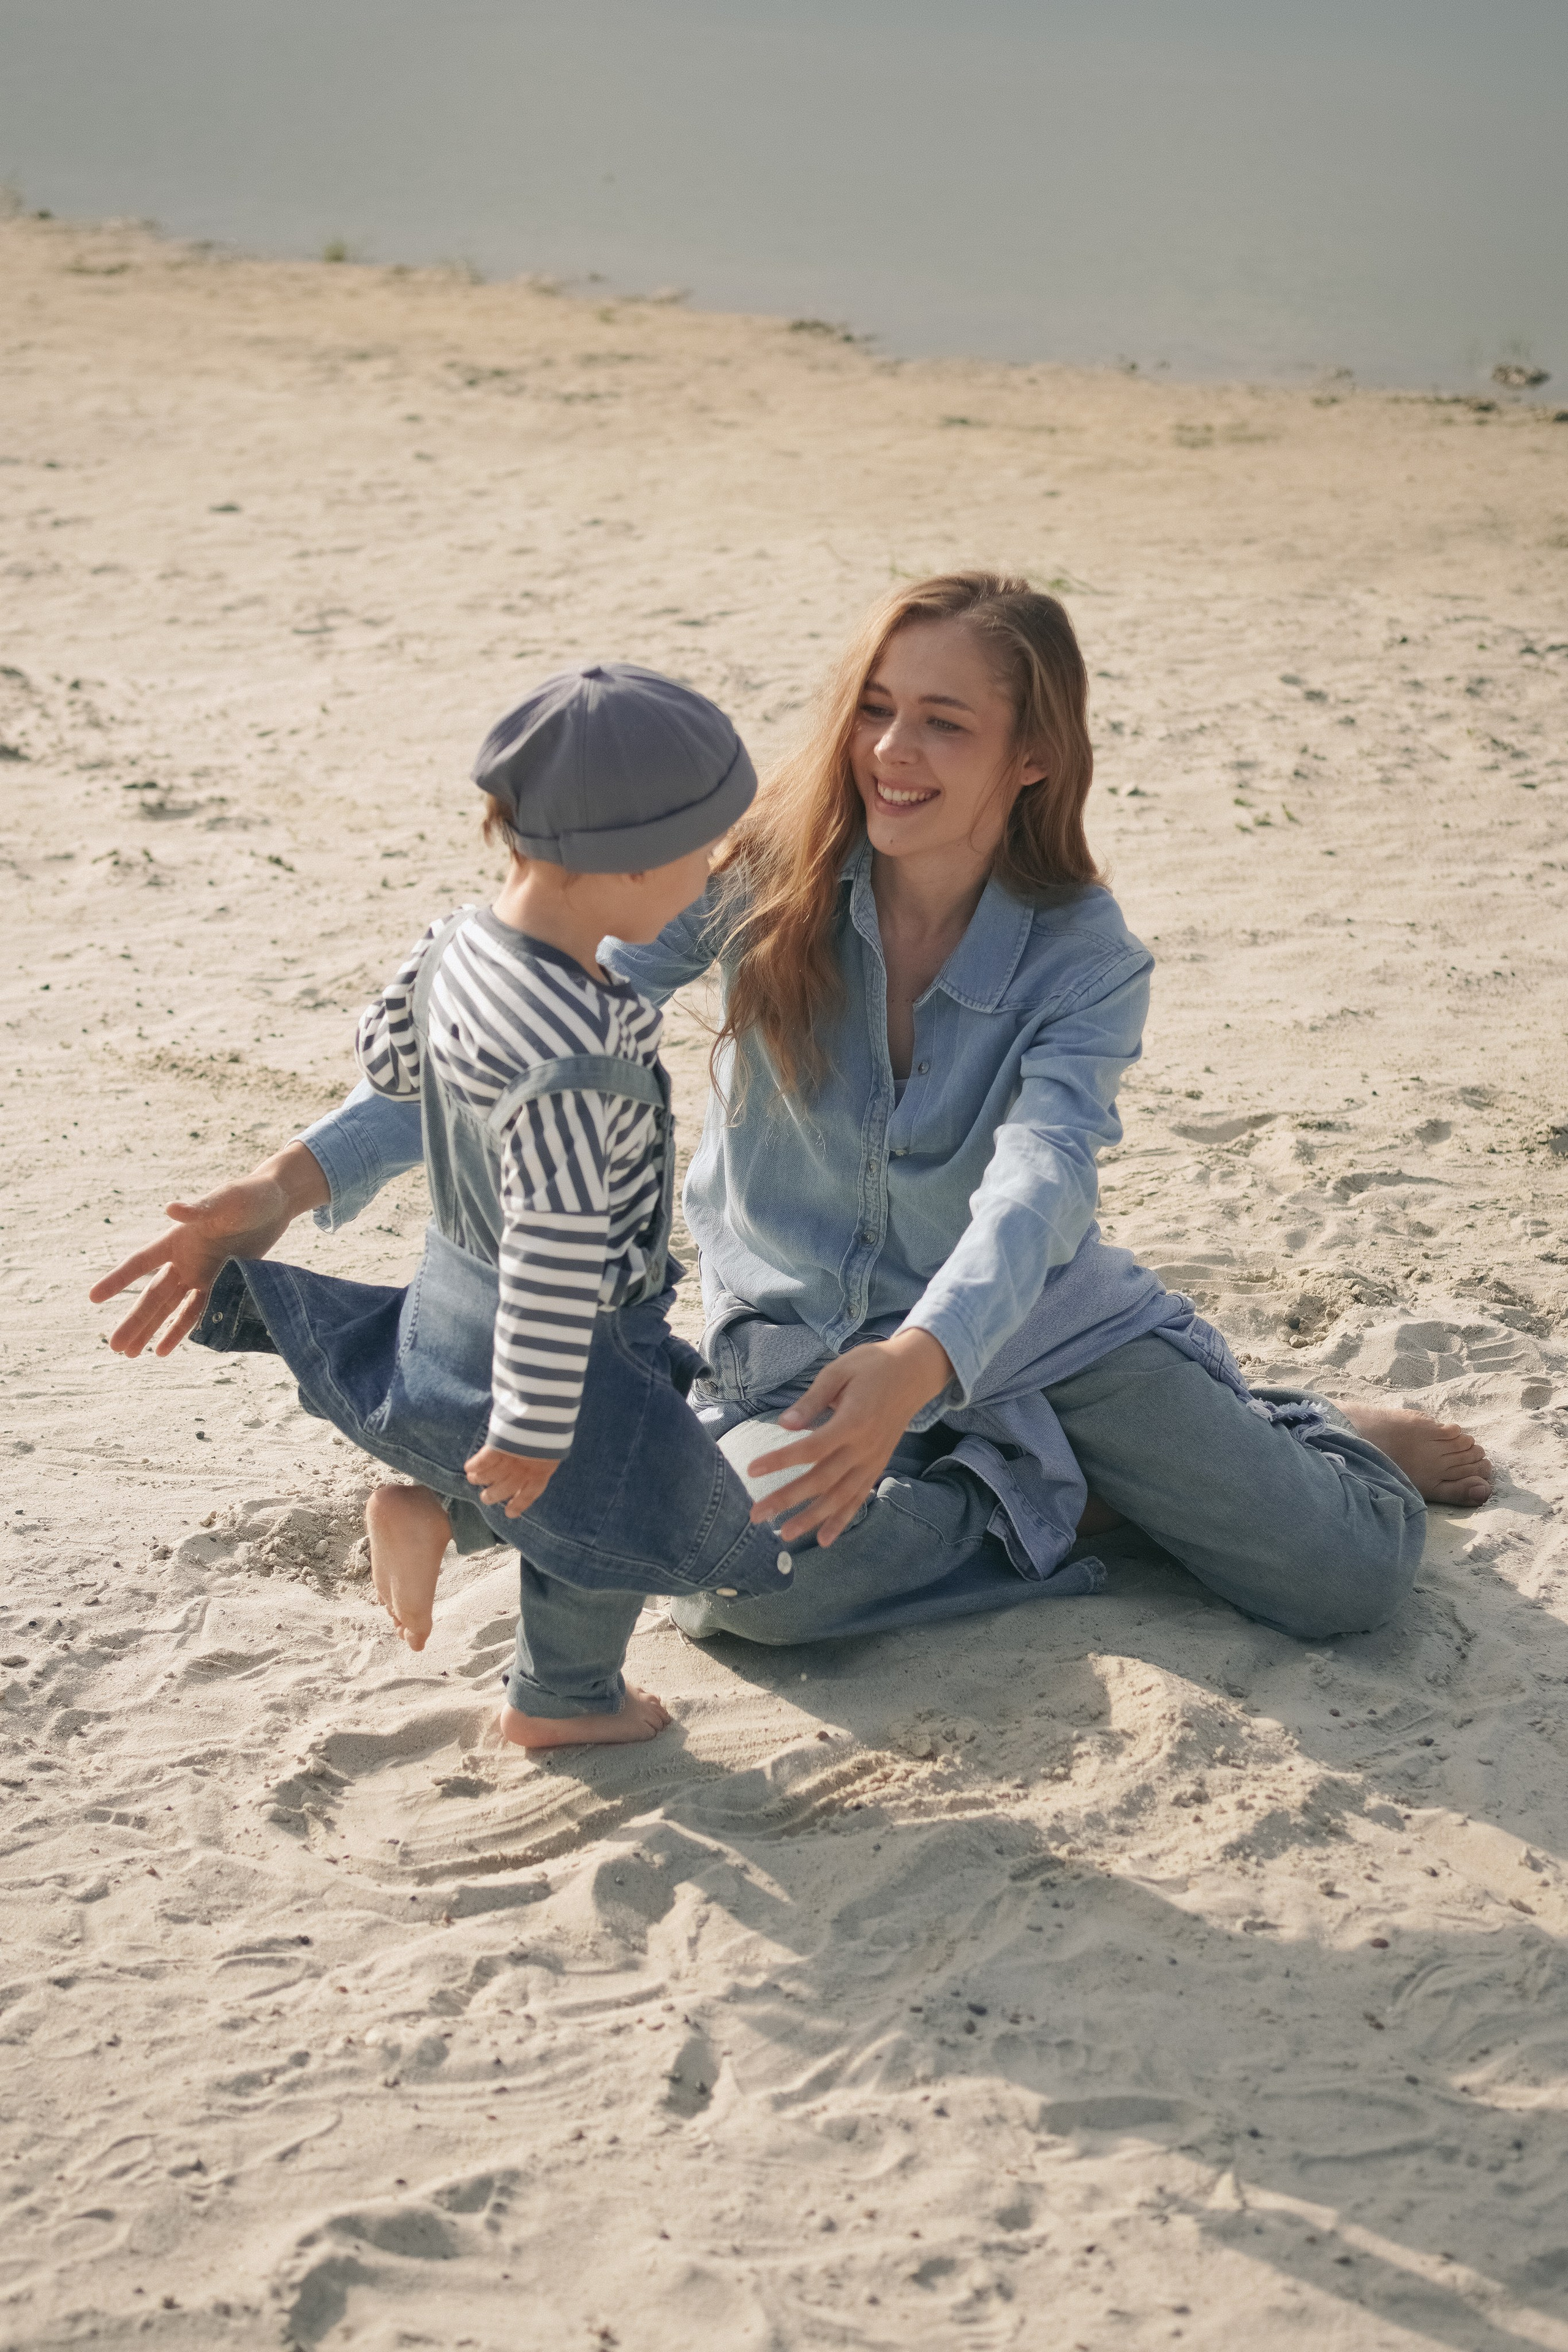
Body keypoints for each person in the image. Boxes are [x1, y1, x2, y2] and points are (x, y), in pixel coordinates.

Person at [92, 576, 1491, 1674]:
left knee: (1345, 1582)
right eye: (877, 706)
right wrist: (288, 1182)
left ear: (1031, 756)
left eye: (944, 722)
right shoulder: (765, 872)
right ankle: (1101, 1503)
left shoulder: (1084, 956)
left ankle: (1299, 1431)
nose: (890, 750)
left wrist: (920, 1367)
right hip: (803, 1350)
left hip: (1042, 1332)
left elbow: (1037, 1186)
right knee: (739, 1595)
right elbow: (525, 1032)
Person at [138, 662, 796, 1747]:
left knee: (574, 1492)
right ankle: (565, 1700)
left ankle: (431, 1512)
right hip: (566, 1327)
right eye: (701, 852)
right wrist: (536, 1430)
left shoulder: (457, 944)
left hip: (451, 1276)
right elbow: (556, 1247)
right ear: (625, 862)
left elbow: (391, 1057)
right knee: (611, 1505)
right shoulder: (582, 1052)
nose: (711, 874)